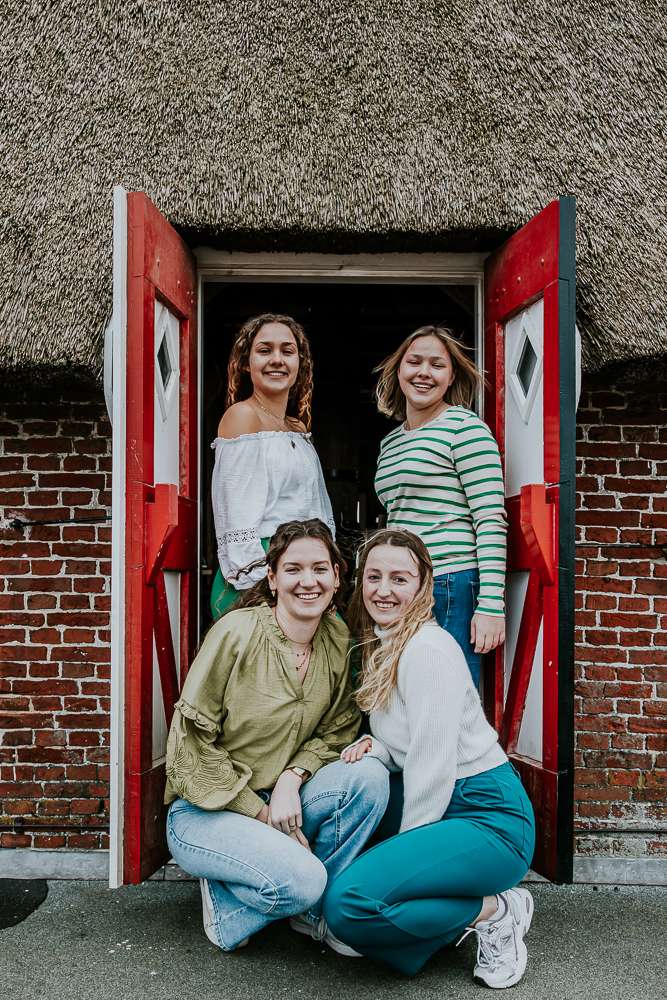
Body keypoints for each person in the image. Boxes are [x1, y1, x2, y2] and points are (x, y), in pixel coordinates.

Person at [322, 529, 535, 988]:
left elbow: (433, 768)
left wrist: (409, 866)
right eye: (374, 576)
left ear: (423, 585)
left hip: (488, 815)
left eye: (400, 578)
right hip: (450, 801)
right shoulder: (386, 642)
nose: (383, 590)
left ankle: (496, 912)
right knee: (360, 889)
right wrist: (377, 749)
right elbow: (410, 742)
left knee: (348, 906)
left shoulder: (427, 650)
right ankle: (431, 925)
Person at [165, 519, 390, 954]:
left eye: (321, 569)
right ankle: (229, 907)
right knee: (305, 880)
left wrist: (293, 776)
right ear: (272, 578)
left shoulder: (338, 637)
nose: (309, 581)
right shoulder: (236, 633)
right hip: (207, 811)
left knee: (370, 777)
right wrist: (262, 814)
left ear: (337, 577)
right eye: (294, 569)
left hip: (285, 798)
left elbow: (339, 727)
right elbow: (188, 745)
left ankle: (302, 910)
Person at [373, 324, 506, 686]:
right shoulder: (390, 443)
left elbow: (490, 518)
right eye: (414, 362)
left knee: (445, 694)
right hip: (402, 585)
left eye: (437, 365)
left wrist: (492, 605)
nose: (424, 372)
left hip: (451, 582)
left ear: (450, 377)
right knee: (403, 691)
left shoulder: (465, 428)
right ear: (399, 370)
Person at [210, 313, 335, 618]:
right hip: (260, 575)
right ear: (246, 362)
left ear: (299, 364)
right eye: (265, 351)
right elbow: (235, 522)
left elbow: (318, 510)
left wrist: (324, 573)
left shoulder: (297, 427)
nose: (277, 359)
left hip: (305, 574)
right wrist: (266, 588)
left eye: (287, 351)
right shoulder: (242, 417)